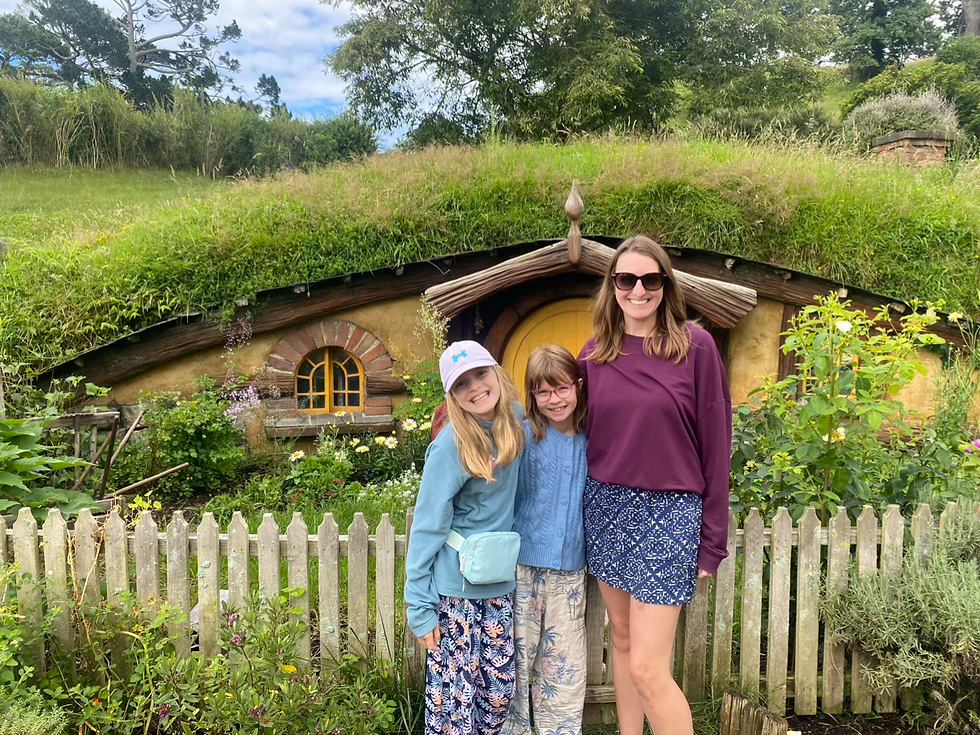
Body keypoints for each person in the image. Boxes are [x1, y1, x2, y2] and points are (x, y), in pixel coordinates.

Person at [577, 235, 731, 735]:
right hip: (607, 507)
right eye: (626, 279)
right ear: (612, 285)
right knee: (621, 641)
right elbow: (563, 424)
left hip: (669, 514)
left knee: (647, 667)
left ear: (666, 285)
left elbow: (716, 447)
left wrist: (712, 540)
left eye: (650, 279)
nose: (638, 290)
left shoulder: (696, 347)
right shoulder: (594, 353)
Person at [404, 340, 527, 735]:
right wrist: (419, 607)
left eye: (480, 374)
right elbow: (427, 526)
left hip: (498, 587)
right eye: (461, 383)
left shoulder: (516, 422)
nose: (475, 387)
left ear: (496, 372)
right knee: (455, 709)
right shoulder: (451, 445)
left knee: (498, 696)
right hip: (454, 595)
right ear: (452, 396)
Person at [503, 344, 589, 735]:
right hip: (521, 570)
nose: (554, 399)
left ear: (578, 386)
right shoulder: (524, 436)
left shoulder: (591, 439)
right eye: (543, 392)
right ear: (532, 395)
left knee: (563, 669)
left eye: (562, 389)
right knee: (516, 663)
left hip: (569, 574)